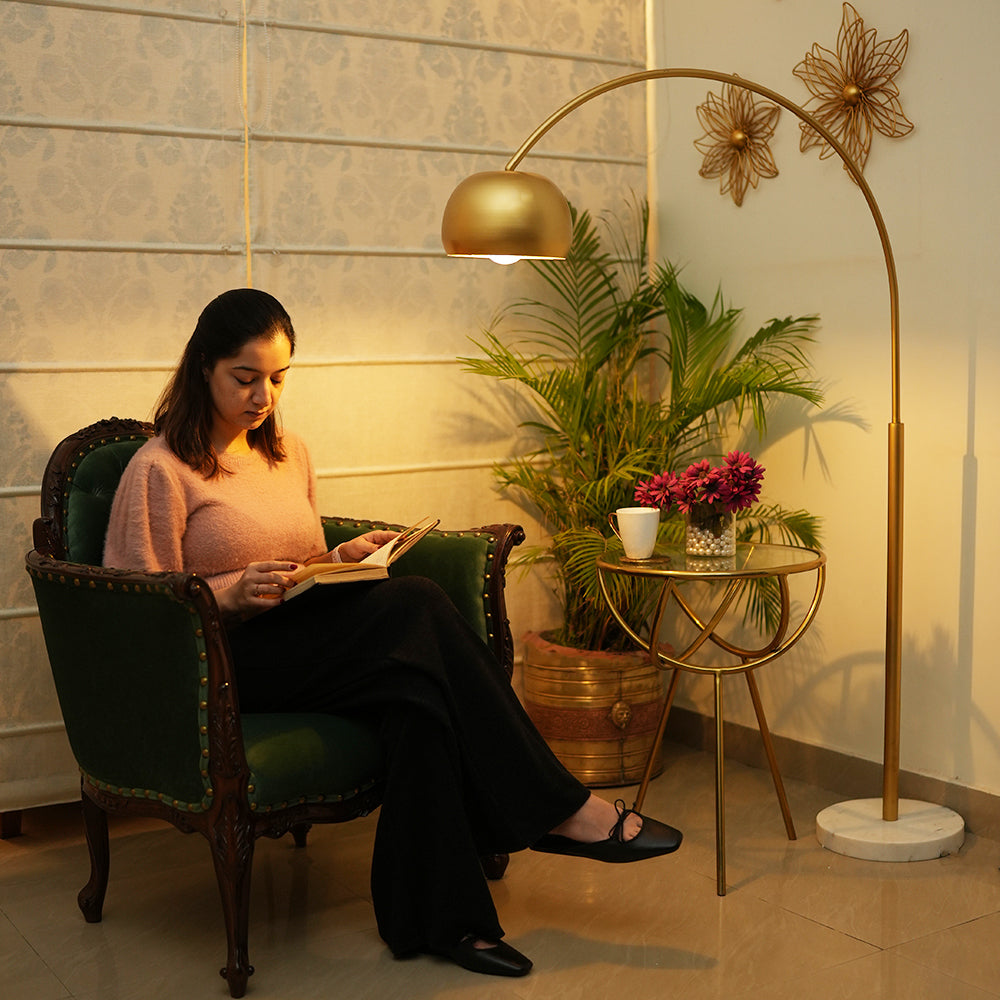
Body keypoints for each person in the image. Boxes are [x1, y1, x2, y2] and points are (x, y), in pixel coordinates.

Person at [103, 288, 682, 978]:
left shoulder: (289, 453)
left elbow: (303, 562)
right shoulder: (160, 469)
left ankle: (443, 924)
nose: (265, 397)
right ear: (204, 367)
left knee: (418, 696)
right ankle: (563, 809)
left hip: (302, 638)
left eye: (279, 378)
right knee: (417, 605)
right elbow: (138, 606)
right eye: (246, 377)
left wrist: (337, 561)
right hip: (228, 661)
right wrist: (231, 592)